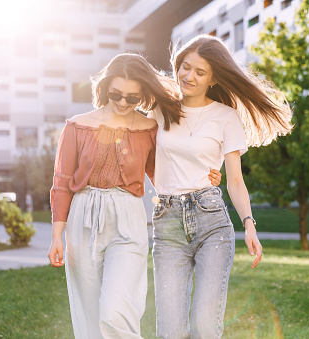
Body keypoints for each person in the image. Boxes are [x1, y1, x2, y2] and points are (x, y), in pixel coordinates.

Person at [47, 53, 221, 338]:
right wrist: (57, 235)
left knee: (116, 310)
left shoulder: (149, 129)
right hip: (83, 218)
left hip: (128, 218)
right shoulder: (77, 126)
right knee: (90, 316)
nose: (123, 103)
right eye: (116, 95)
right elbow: (62, 183)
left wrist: (206, 177)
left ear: (143, 96)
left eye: (132, 97)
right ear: (104, 89)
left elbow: (166, 174)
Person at [149, 34, 293, 338]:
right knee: (169, 332)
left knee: (204, 325)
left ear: (213, 78)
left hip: (211, 221)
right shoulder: (159, 109)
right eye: (185, 67)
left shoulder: (225, 117)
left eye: (200, 72)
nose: (188, 76)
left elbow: (236, 182)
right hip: (168, 224)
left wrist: (249, 225)